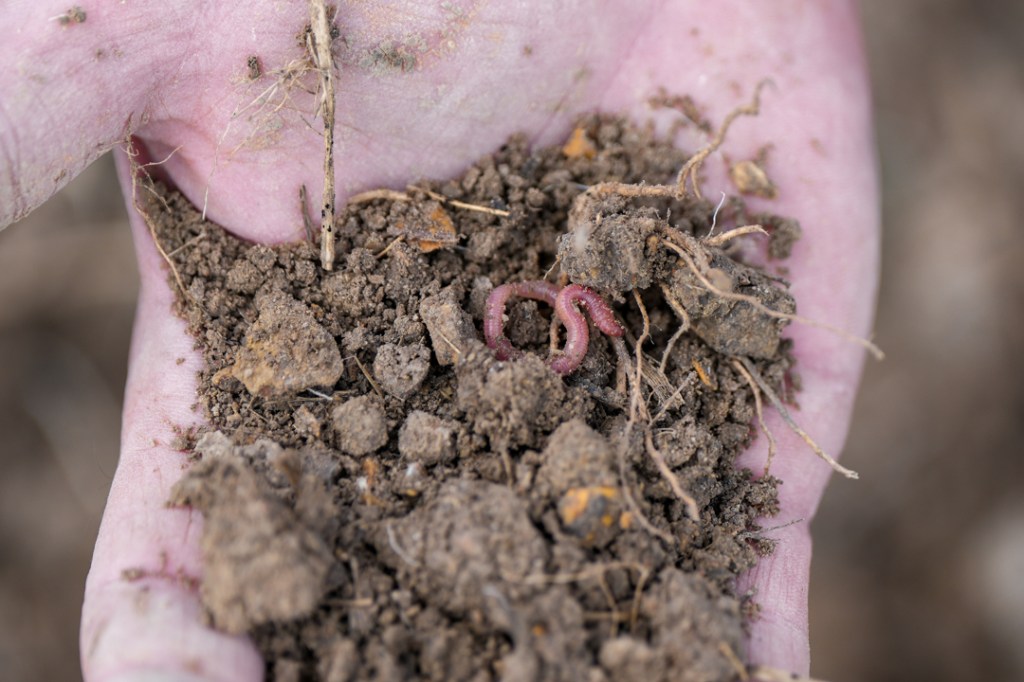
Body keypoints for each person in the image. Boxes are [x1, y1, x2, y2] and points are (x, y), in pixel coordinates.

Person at [0, 1, 879, 679]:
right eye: (591, 318)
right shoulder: (525, 315)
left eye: (590, 320)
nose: (588, 325)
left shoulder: (568, 315)